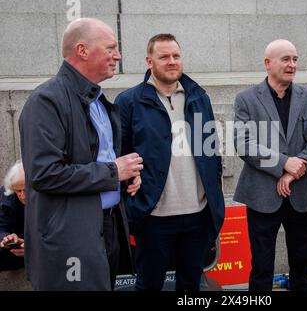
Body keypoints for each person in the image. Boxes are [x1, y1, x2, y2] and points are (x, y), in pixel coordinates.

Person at [18, 18, 144, 291]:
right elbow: (45, 174)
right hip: (70, 239)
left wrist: (123, 178)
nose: (118, 56)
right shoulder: (46, 100)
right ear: (83, 51)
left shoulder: (98, 100)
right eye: (111, 48)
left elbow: (96, 164)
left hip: (105, 229)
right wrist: (114, 171)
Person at [115, 33, 225, 291]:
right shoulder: (129, 102)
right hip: (154, 216)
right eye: (164, 56)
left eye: (176, 55)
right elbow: (119, 157)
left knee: (191, 285)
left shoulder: (199, 97)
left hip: (198, 214)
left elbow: (212, 151)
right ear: (149, 61)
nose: (172, 61)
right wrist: (132, 194)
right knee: (149, 285)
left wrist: (215, 192)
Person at [233, 39, 307, 291]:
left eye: (295, 59)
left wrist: (295, 171)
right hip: (262, 196)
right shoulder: (246, 99)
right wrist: (284, 164)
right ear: (267, 63)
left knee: (303, 267)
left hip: (303, 193)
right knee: (261, 268)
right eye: (286, 59)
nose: (292, 65)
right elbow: (243, 144)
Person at [0, 160, 25, 271]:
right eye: (18, 191)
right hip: (12, 251)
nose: (22, 196)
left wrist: (34, 248)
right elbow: (1, 226)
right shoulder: (8, 194)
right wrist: (6, 238)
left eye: (26, 190)